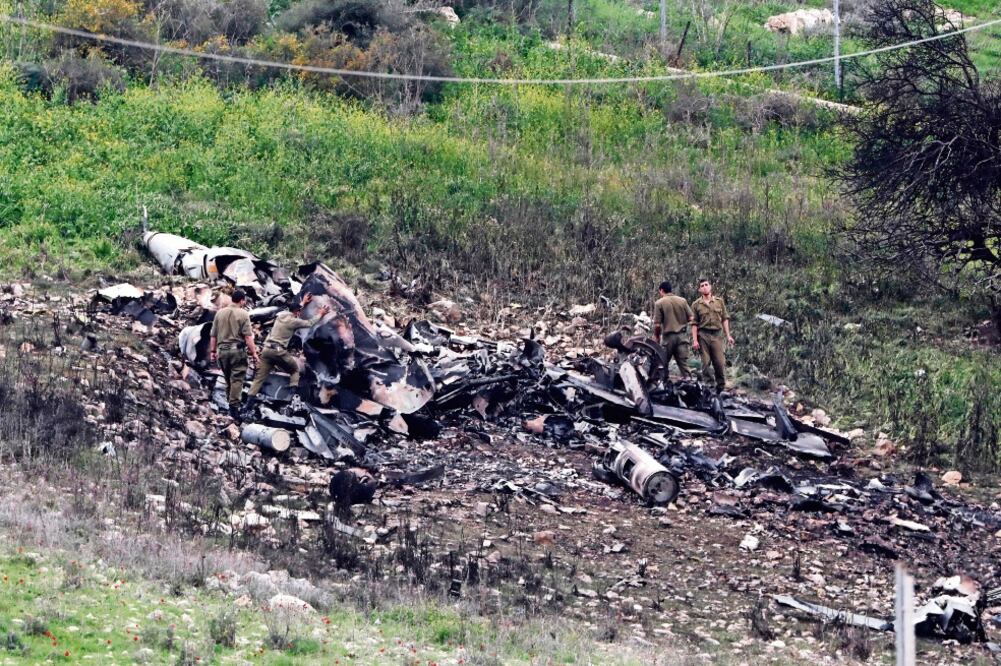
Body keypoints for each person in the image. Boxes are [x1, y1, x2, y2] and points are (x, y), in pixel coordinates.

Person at [246, 293, 330, 404]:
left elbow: (293, 310)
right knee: (295, 370)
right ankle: (291, 397)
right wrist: (321, 314)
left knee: (259, 379)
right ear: (296, 312)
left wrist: (303, 302)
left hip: (266, 351)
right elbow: (310, 323)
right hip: (278, 351)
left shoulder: (281, 316)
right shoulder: (294, 322)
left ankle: (247, 406)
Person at [209, 289, 258, 421]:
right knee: (237, 379)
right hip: (237, 351)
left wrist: (213, 352)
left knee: (228, 379)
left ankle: (231, 405)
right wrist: (254, 353)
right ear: (242, 300)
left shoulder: (220, 313)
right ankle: (234, 410)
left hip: (222, 352)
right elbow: (248, 337)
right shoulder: (243, 314)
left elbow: (213, 335)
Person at [690, 278, 735, 394]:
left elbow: (725, 319)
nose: (705, 287)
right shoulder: (696, 305)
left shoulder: (719, 302)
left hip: (717, 335)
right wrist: (695, 340)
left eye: (706, 284)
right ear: (699, 289)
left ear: (710, 286)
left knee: (719, 363)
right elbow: (694, 324)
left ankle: (720, 387)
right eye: (702, 286)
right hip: (703, 335)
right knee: (706, 363)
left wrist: (728, 336)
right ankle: (709, 387)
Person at [652, 280, 694, 379]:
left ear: (661, 290)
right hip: (682, 337)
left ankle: (662, 385)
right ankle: (691, 385)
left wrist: (657, 337)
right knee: (684, 365)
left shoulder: (659, 303)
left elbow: (657, 325)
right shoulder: (682, 301)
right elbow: (692, 318)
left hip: (668, 338)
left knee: (662, 363)